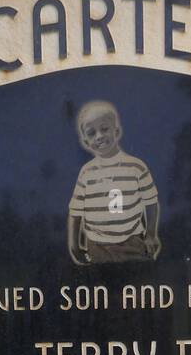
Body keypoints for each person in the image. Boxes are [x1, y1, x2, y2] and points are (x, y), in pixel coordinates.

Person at [68, 101, 161, 265]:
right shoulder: (86, 172)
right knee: (105, 288)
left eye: (104, 129)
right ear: (85, 141)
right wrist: (74, 245)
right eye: (91, 133)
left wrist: (151, 235)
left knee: (137, 286)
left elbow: (151, 202)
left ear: (116, 131)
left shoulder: (136, 166)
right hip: (97, 246)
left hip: (132, 242)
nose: (99, 136)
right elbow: (75, 212)